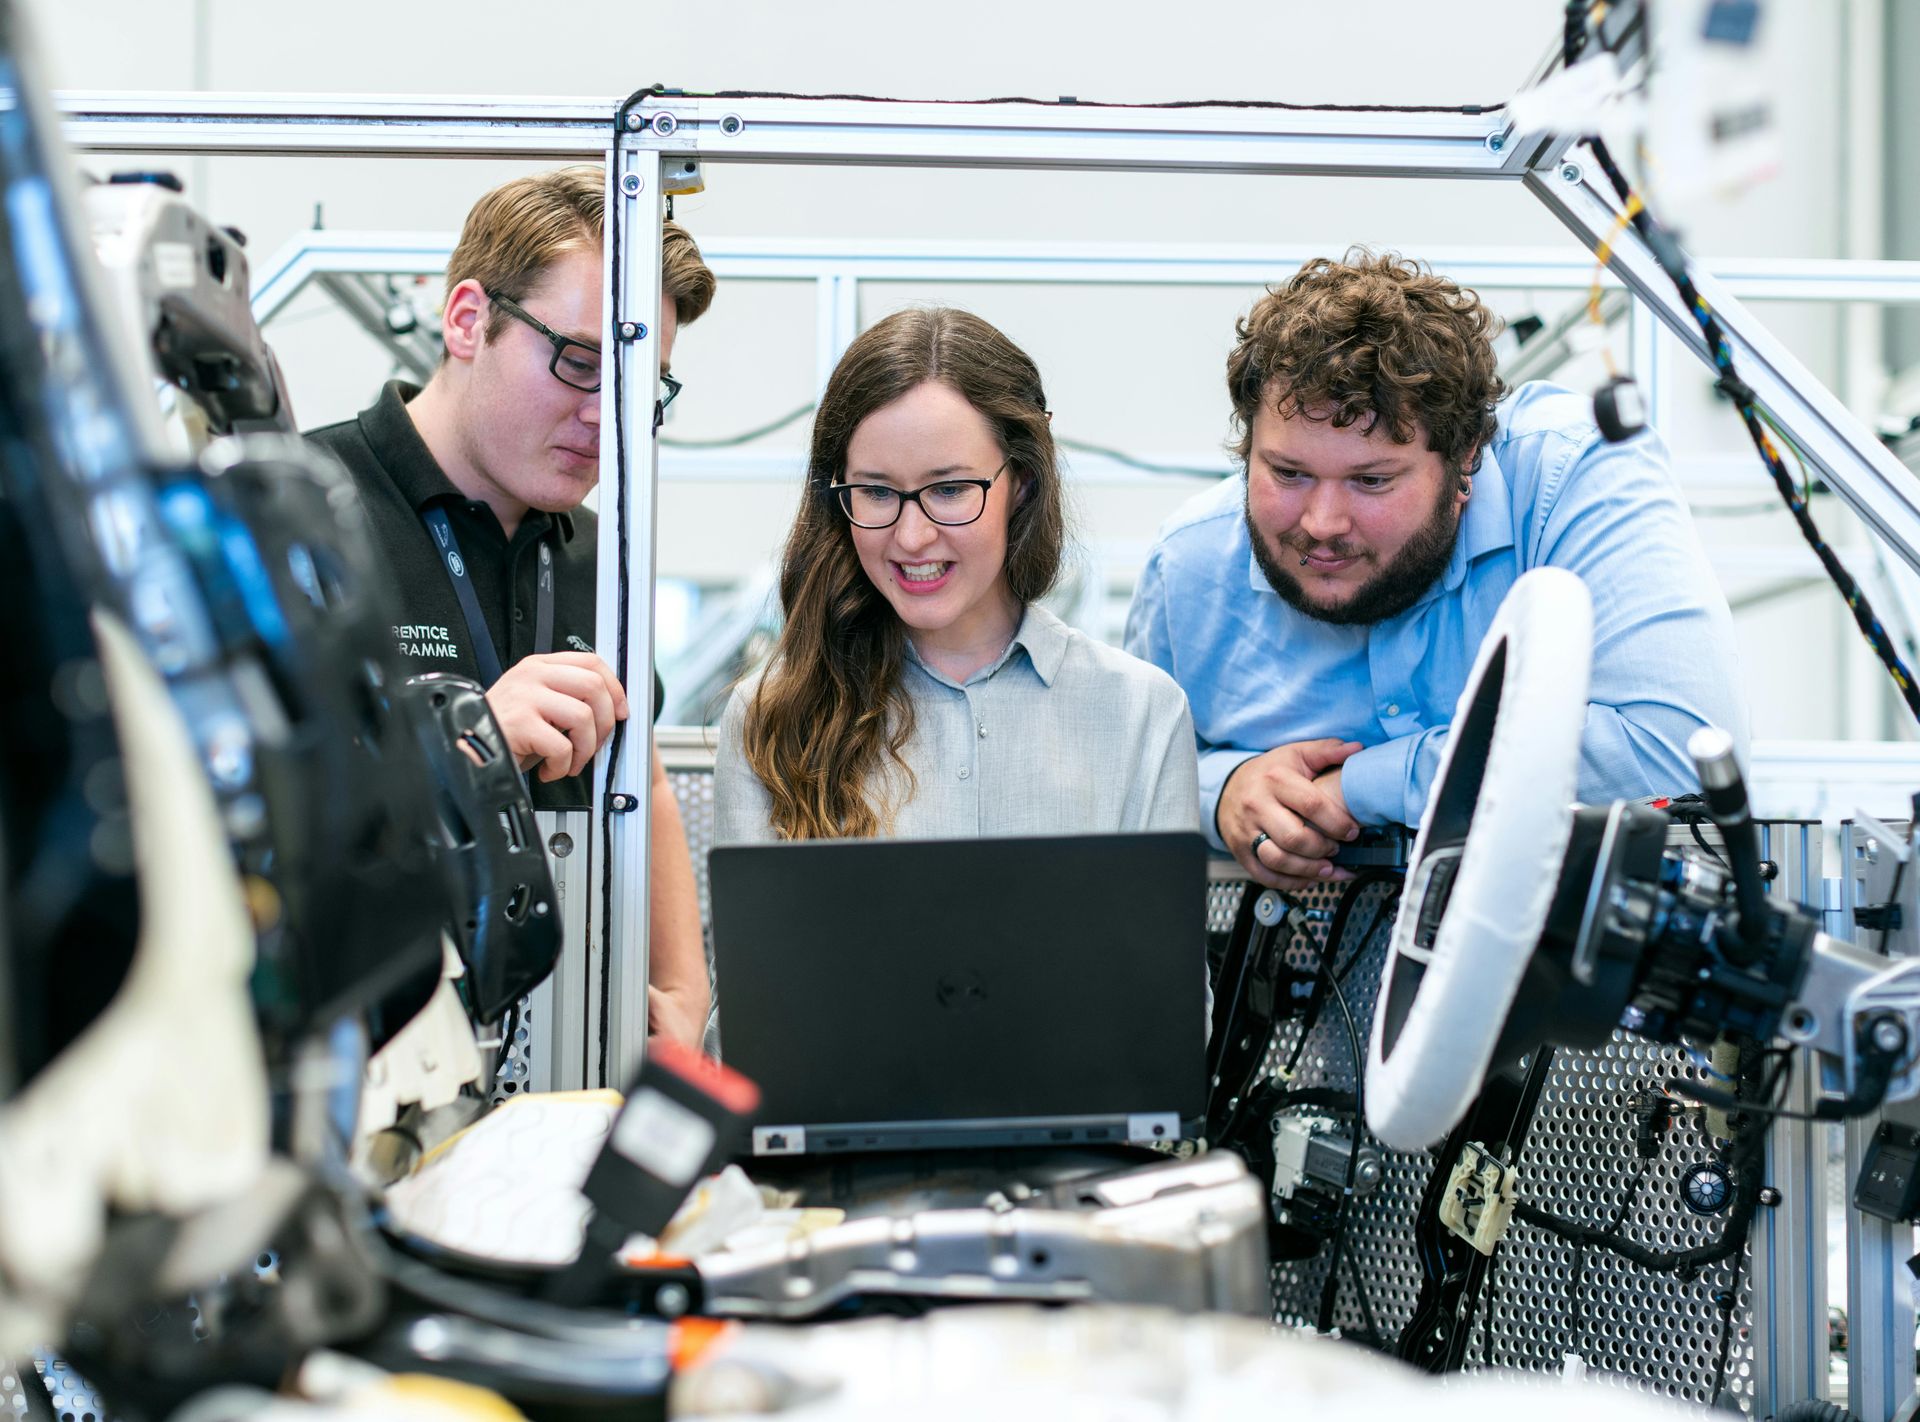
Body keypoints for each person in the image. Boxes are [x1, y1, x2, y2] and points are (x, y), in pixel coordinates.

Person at [1125, 249, 1747, 895]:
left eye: (1372, 480)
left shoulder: (1572, 477)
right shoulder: (1189, 567)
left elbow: (1679, 746)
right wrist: (1223, 792)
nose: (1322, 522)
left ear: (1465, 457)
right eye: (1288, 473)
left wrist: (1358, 788)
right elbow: (1130, 777)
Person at [308, 166, 714, 1048]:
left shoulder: (603, 555)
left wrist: (682, 991)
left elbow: (638, 775)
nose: (605, 417)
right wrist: (467, 744)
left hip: (563, 1050)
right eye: (578, 361)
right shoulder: (300, 515)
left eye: (641, 387)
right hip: (362, 1044)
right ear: (467, 321)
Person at [715, 307, 1198, 844]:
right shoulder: (770, 720)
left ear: (1023, 483)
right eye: (876, 492)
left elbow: (1155, 930)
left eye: (949, 490)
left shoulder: (1142, 714)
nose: (913, 537)